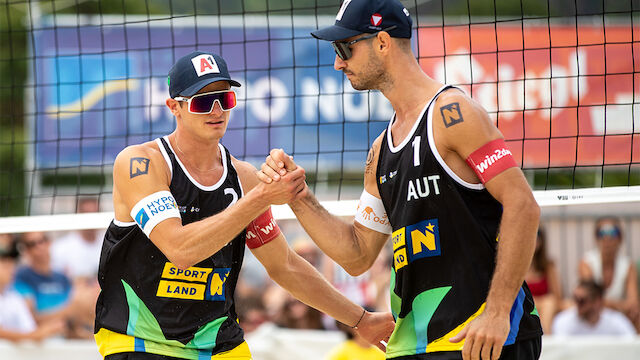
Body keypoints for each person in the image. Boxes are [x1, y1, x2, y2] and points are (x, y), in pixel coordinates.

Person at [258, 1, 542, 359]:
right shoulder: (381, 149)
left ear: (382, 42)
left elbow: (523, 205)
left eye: (346, 48)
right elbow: (358, 255)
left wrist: (498, 312)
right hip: (413, 344)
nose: (338, 63)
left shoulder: (452, 113)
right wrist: (298, 195)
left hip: (478, 339)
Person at [93, 51, 394, 360]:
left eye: (224, 98)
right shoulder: (141, 162)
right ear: (174, 107)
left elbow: (285, 266)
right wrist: (261, 197)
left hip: (220, 346)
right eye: (202, 101)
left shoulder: (244, 178)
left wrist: (360, 320)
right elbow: (180, 250)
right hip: (142, 342)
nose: (217, 110)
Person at [14, 232, 95, 339]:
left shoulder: (62, 278)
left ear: (49, 243)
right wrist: (69, 310)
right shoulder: (22, 277)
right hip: (39, 342)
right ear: (26, 250)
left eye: (42, 241)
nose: (40, 246)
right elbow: (29, 319)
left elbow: (75, 319)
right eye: (32, 244)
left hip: (65, 338)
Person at [0, 235, 64, 342]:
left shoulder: (13, 296)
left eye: (11, 261)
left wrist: (46, 330)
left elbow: (30, 330)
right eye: (4, 261)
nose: (11, 266)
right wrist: (38, 334)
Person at [579, 217, 639, 328]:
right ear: (597, 238)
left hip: (618, 317)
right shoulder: (587, 262)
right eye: (602, 233)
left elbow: (633, 304)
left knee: (637, 315)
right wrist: (620, 305)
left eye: (612, 232)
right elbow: (590, 300)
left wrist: (605, 304)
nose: (607, 238)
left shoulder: (628, 265)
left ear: (620, 238)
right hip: (594, 314)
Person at [552, 280, 636, 336]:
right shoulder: (563, 321)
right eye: (575, 298)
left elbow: (631, 345)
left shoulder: (617, 321)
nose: (577, 304)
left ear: (597, 301)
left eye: (582, 300)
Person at [51, 197, 104, 281]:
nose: (91, 219)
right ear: (78, 215)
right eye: (87, 214)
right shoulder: (60, 248)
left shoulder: (111, 244)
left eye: (94, 214)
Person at [525, 227, 562, 334]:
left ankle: (546, 336)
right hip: (526, 307)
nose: (532, 241)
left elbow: (557, 296)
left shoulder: (548, 266)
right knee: (547, 302)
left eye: (536, 237)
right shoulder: (515, 267)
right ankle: (546, 335)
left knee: (550, 302)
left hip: (546, 307)